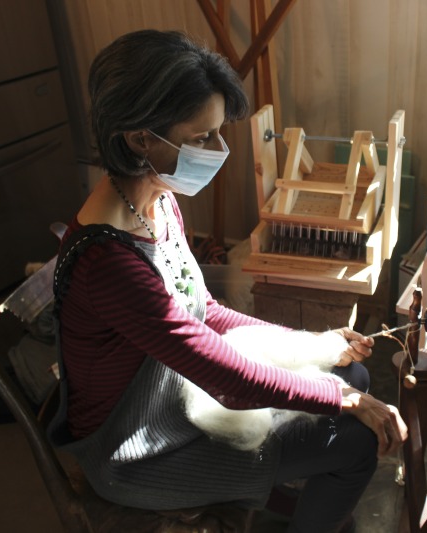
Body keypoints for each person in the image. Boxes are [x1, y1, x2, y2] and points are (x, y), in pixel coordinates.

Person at [48, 29, 407, 533]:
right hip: (137, 448)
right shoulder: (109, 261)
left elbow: (205, 312)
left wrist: (319, 345)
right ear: (139, 138)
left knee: (353, 375)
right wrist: (341, 399)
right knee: (356, 439)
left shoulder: (156, 200)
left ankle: (289, 495)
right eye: (200, 138)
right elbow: (231, 384)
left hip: (173, 400)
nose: (219, 148)